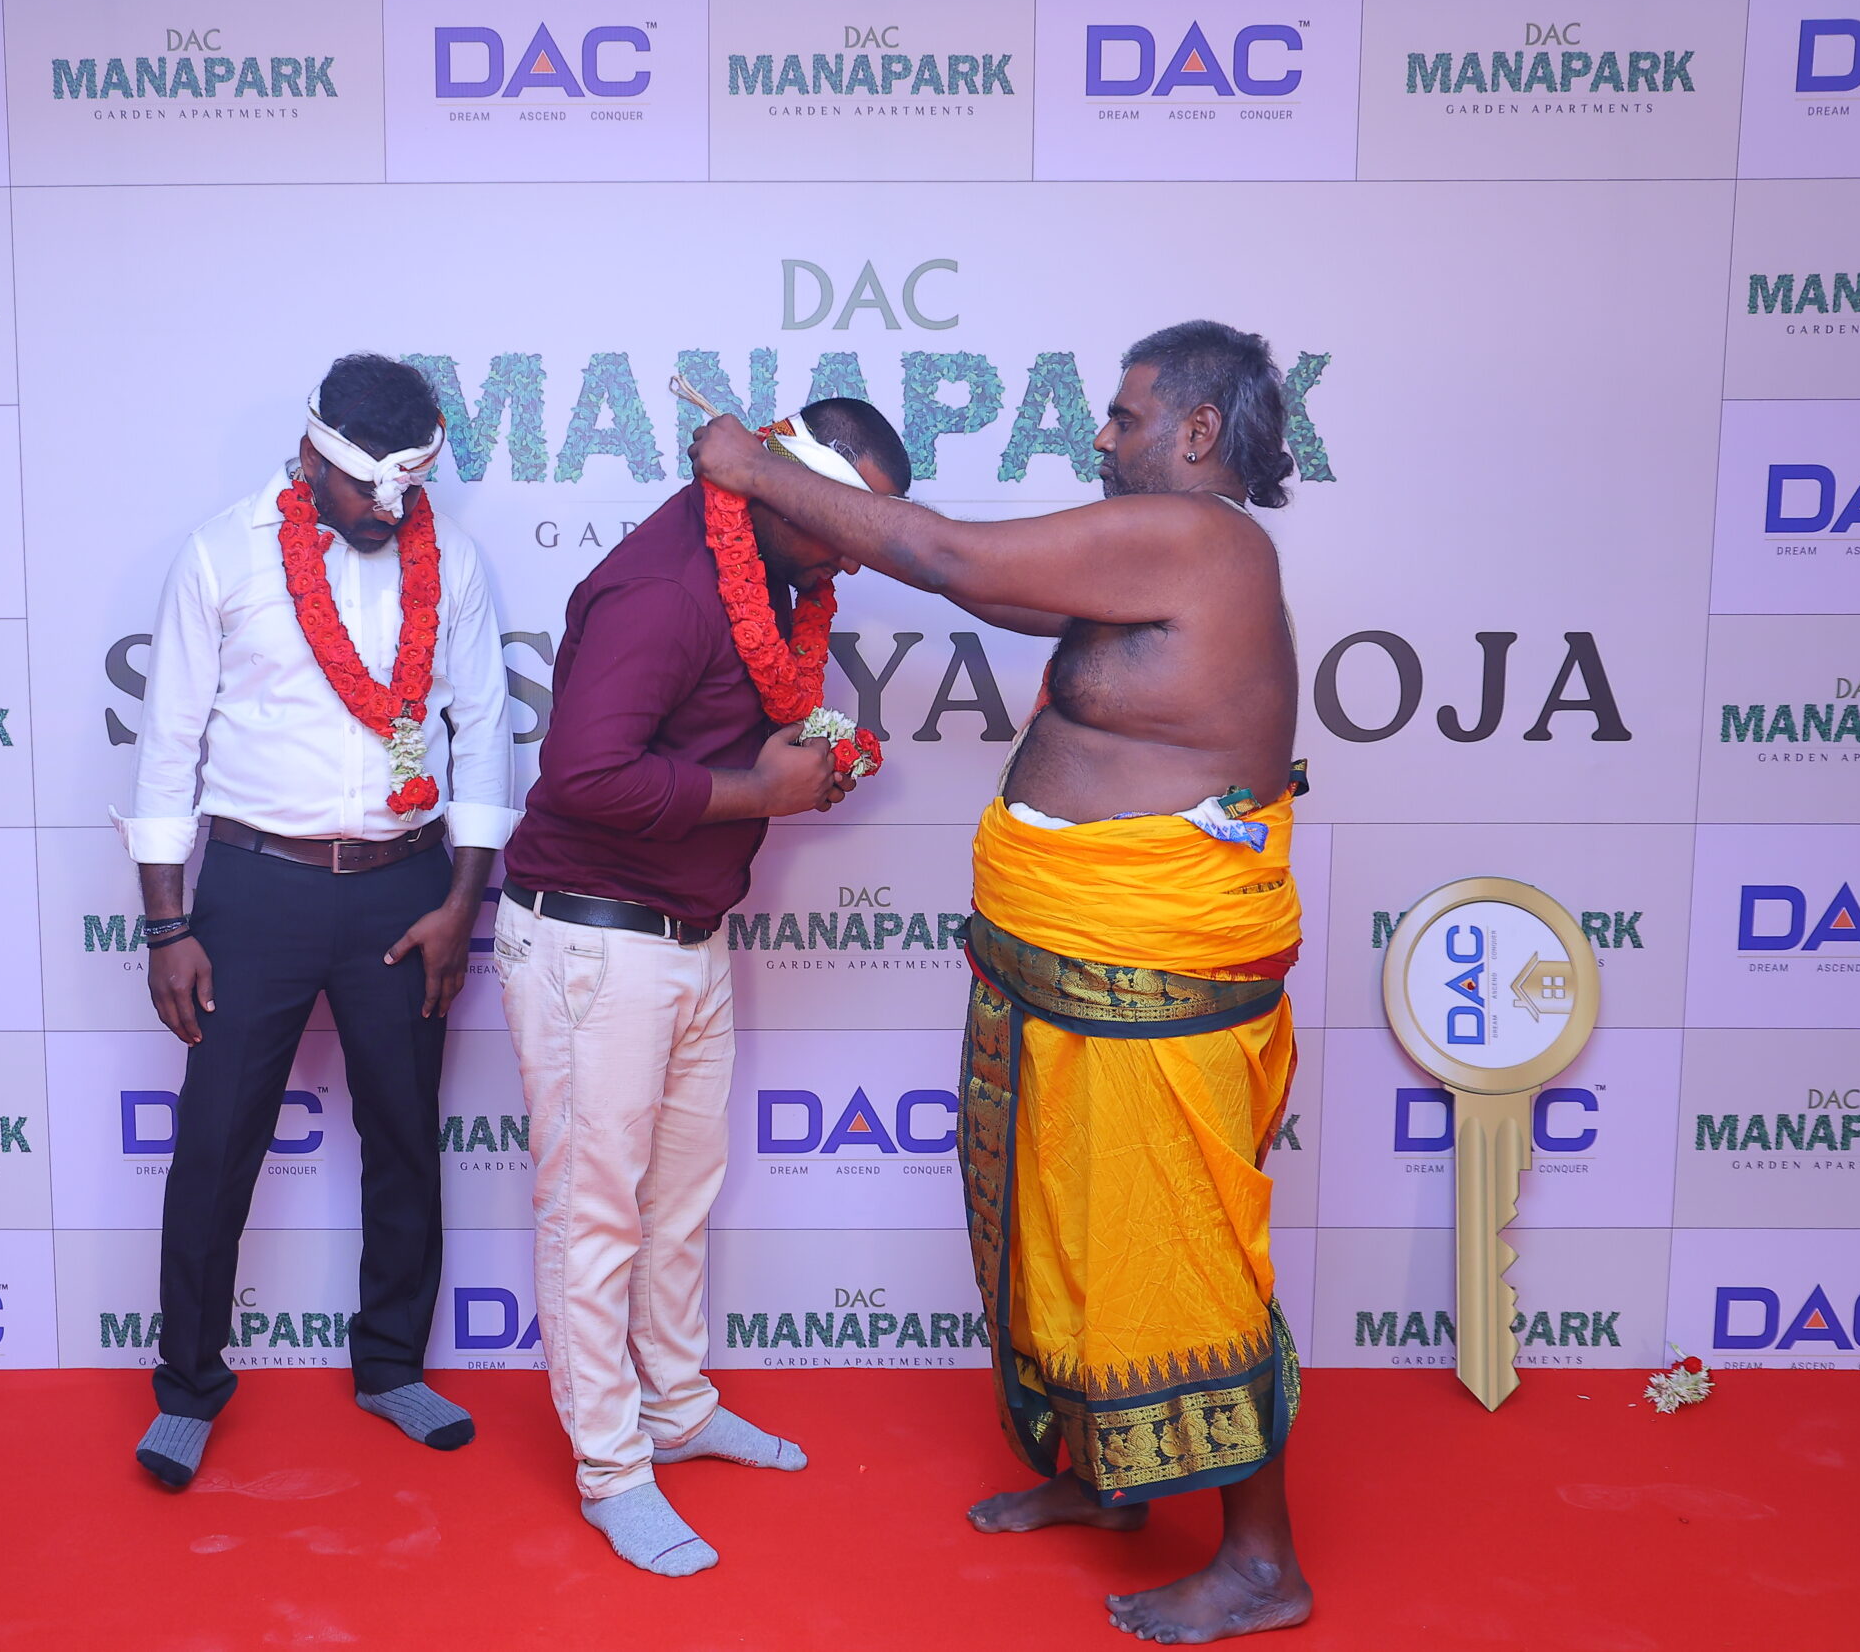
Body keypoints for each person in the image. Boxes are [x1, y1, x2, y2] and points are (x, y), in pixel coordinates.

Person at [689, 322, 1311, 1643]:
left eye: (1125, 416)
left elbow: (952, 556)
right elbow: (1003, 596)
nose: (1103, 435)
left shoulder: (1199, 538)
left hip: (1145, 967)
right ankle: (1107, 1478)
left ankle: (1261, 1561)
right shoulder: (1146, 551)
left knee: (1176, 1252)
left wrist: (752, 468)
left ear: (1197, 431)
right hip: (1065, 957)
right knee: (1062, 1229)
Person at [498, 397, 907, 1576]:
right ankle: (610, 1468)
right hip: (594, 941)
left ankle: (674, 1408)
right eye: (837, 519)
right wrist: (761, 795)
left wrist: (796, 771)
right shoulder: (666, 592)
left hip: (686, 933)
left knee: (676, 1202)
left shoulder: (769, 575)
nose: (850, 550)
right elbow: (581, 776)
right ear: (773, 480)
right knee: (595, 1216)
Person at [118, 355, 516, 1488]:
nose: (393, 508)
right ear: (312, 457)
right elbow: (168, 748)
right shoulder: (221, 554)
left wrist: (459, 903)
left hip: (406, 885)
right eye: (370, 488)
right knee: (215, 1145)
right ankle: (188, 1386)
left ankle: (390, 1364)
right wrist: (166, 928)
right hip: (257, 887)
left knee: (404, 1135)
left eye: (410, 486)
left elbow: (483, 730)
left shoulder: (453, 562)